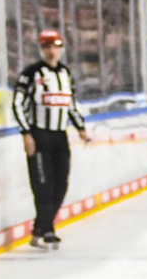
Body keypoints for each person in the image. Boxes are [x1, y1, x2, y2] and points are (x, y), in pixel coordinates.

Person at [12, 30, 89, 250]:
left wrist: (81, 128)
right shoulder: (31, 73)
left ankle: (40, 227)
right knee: (42, 184)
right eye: (46, 47)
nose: (51, 51)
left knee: (61, 183)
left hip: (59, 135)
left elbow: (71, 105)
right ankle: (47, 230)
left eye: (55, 46)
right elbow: (17, 104)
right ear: (41, 49)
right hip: (39, 135)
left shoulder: (65, 73)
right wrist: (26, 133)